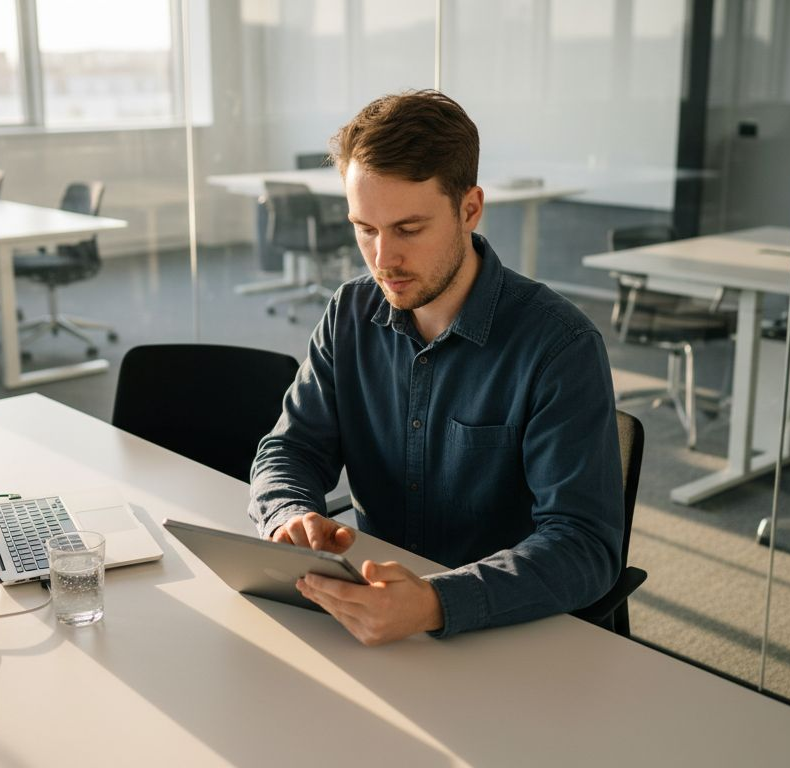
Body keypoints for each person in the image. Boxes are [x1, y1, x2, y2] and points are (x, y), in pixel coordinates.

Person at [248, 90, 624, 645]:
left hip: (508, 639)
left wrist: (435, 602)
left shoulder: (558, 344)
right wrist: (287, 515)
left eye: (408, 229)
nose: (382, 259)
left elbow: (583, 546)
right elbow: (289, 450)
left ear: (469, 208)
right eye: (365, 228)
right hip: (373, 624)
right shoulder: (350, 313)